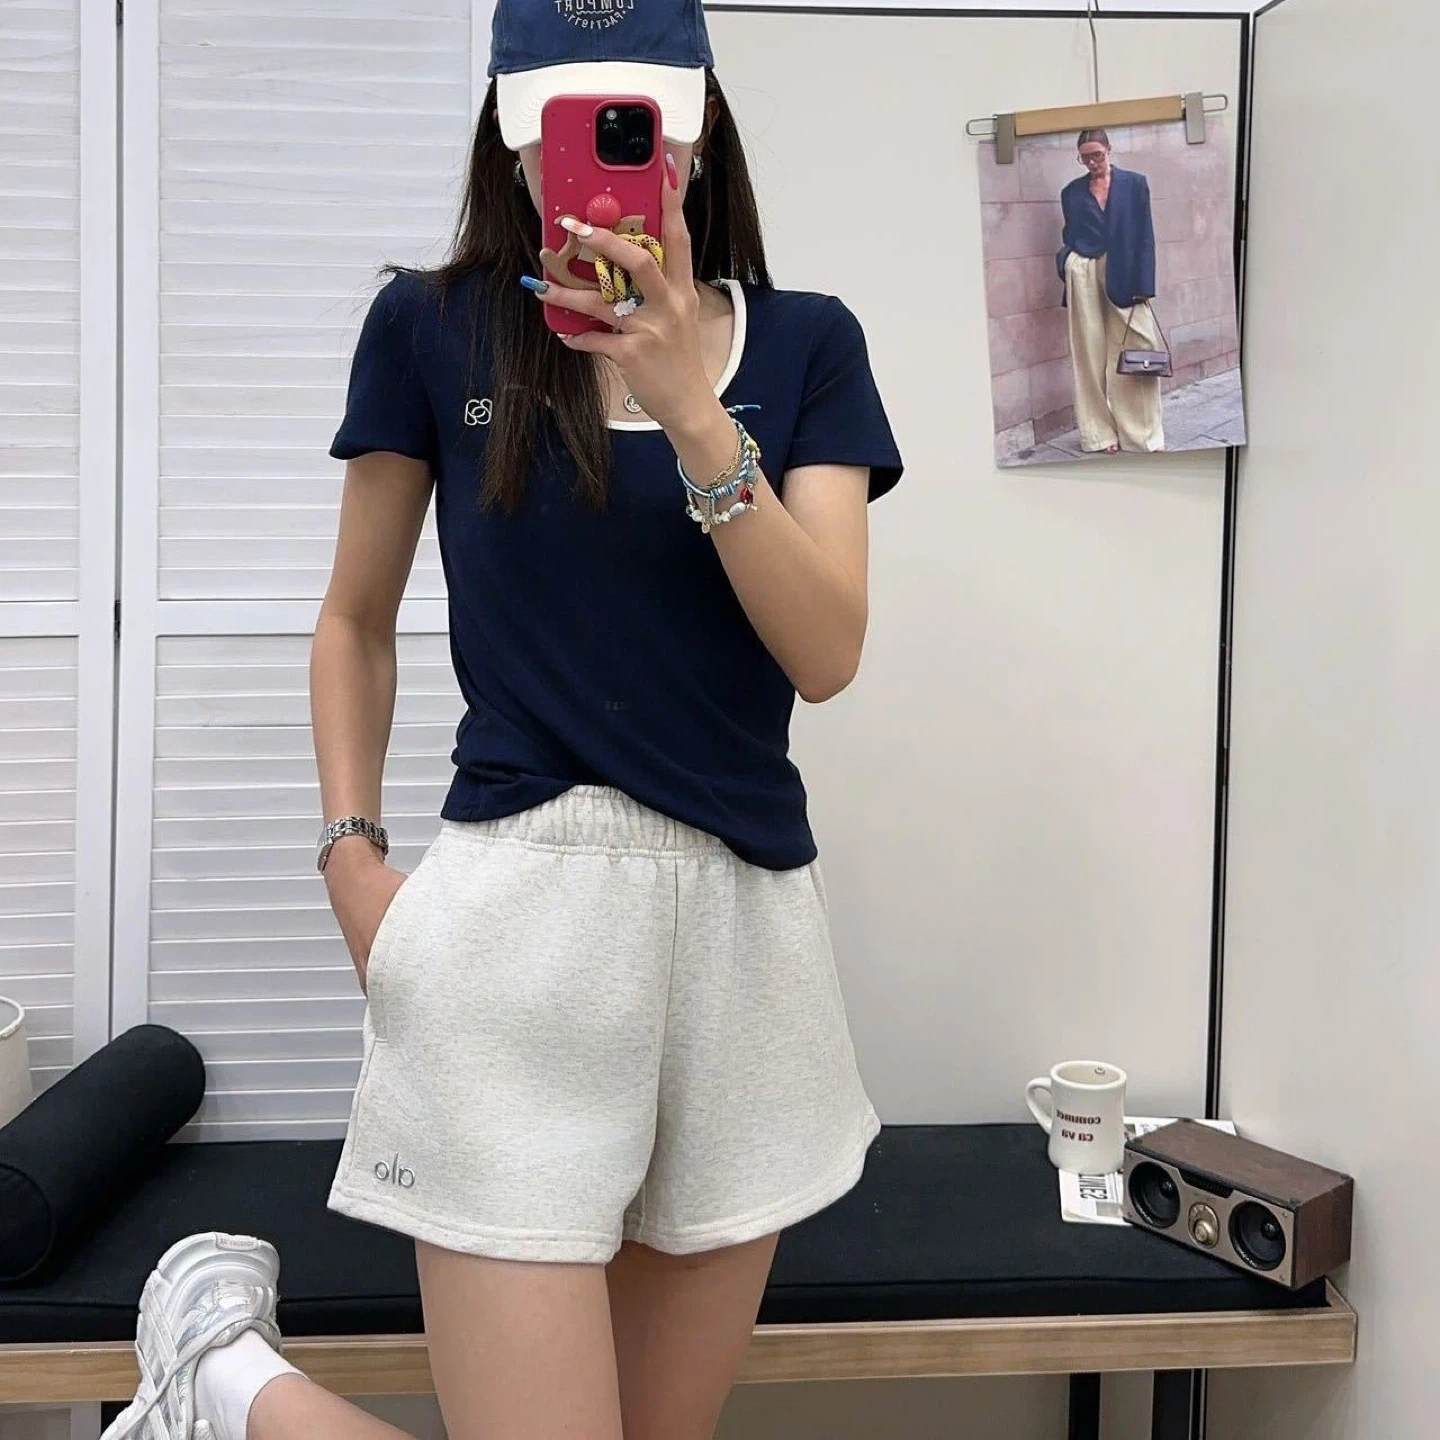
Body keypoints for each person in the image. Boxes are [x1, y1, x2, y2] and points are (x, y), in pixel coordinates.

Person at [100, 3, 902, 1439]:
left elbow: (826, 650)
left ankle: (224, 1387)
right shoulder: (431, 328)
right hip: (521, 931)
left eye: (632, 122)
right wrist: (352, 861)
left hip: (745, 944)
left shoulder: (808, 345)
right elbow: (354, 621)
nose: (595, 160)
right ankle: (224, 1379)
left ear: (697, 125)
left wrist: (692, 409)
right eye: (556, 126)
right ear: (511, 135)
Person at [1055, 128, 1166, 455]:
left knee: (1139, 347)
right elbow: (1070, 234)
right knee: (1088, 354)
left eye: (1097, 155)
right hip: (1085, 273)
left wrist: (1144, 285)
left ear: (1109, 150)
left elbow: (1145, 235)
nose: (1092, 163)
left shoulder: (1135, 184)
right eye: (1085, 157)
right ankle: (1099, 434)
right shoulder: (1071, 192)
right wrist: (1067, 261)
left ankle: (1144, 435)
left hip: (1126, 275)